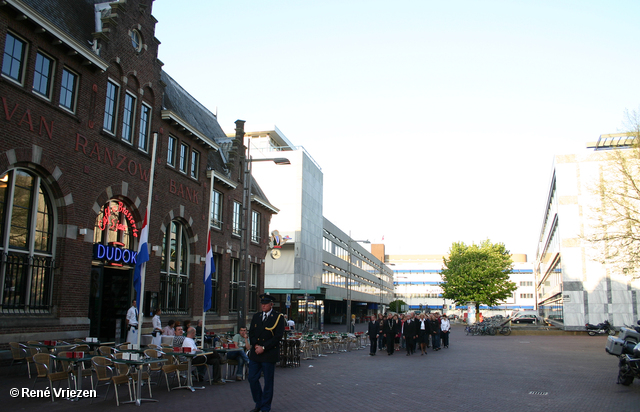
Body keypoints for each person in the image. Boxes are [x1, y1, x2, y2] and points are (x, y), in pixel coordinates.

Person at [248, 293, 285, 412]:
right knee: (252, 378)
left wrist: (264, 347)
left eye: (266, 304)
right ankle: (259, 402)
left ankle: (265, 407)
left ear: (271, 304)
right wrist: (256, 345)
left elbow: (278, 336)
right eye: (262, 304)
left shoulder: (278, 317)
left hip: (268, 353)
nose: (263, 306)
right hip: (256, 353)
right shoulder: (257, 316)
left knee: (268, 382)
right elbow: (251, 333)